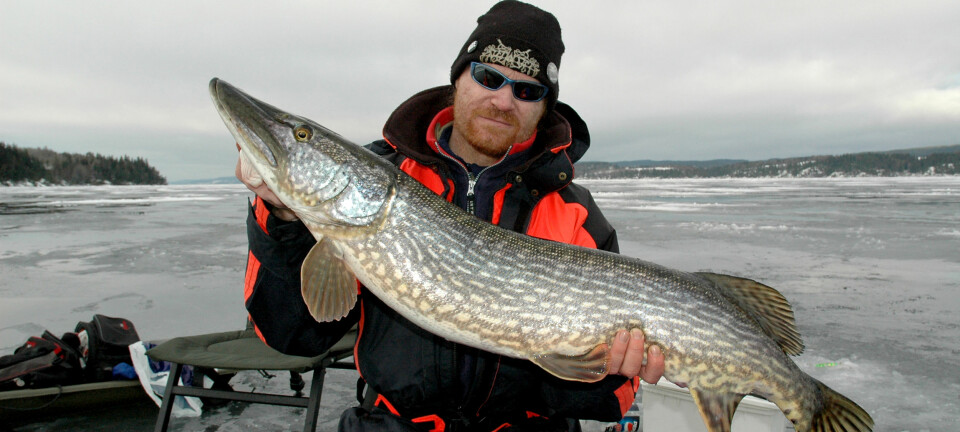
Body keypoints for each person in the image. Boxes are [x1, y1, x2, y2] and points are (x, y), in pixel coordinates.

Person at [237, 1, 665, 430]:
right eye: (488, 77)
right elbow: (292, 335)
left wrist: (604, 371)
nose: (503, 101)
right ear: (458, 78)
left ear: (544, 108)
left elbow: (608, 402)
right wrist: (283, 221)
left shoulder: (577, 217)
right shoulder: (386, 180)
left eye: (528, 91)